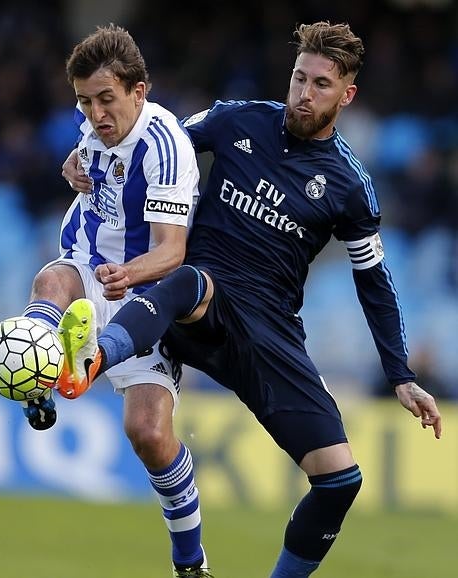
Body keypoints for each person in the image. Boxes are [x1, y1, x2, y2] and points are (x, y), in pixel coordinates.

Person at [61, 21, 442, 577]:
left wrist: (400, 373)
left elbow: (374, 283)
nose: (304, 93)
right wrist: (88, 150)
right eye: (298, 78)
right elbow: (148, 134)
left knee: (340, 480)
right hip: (199, 296)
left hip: (270, 329)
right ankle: (92, 356)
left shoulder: (350, 185)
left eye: (320, 85)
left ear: (347, 95)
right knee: (189, 280)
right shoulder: (239, 119)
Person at [13, 24, 212, 578]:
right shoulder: (93, 125)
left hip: (145, 288)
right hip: (85, 261)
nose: (96, 114)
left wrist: (128, 273)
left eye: (106, 99)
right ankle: (40, 380)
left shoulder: (164, 144)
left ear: (139, 91)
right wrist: (72, 165)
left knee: (148, 434)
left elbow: (172, 251)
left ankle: (191, 563)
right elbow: (86, 158)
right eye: (84, 101)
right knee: (51, 284)